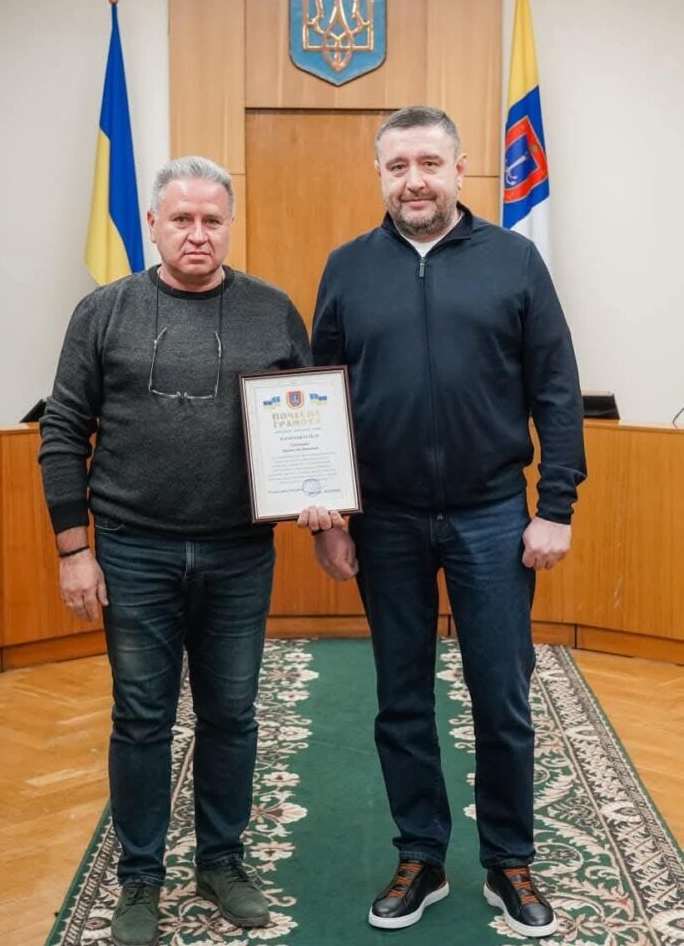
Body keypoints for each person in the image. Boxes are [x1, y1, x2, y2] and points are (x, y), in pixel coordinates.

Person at [299, 107, 586, 937]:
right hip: (384, 520)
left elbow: (557, 389)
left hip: (492, 514)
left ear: (461, 169)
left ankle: (509, 861)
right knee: (400, 698)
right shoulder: (348, 268)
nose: (414, 180)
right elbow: (321, 397)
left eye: (429, 163)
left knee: (501, 697)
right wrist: (328, 517)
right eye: (398, 166)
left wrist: (555, 506)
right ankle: (421, 854)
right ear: (379, 174)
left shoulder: (514, 260)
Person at [39, 156, 311, 946]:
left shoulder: (271, 311)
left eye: (212, 220)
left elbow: (312, 421)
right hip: (134, 552)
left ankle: (221, 862)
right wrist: (74, 550)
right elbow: (63, 431)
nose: (198, 234)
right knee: (141, 718)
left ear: (230, 226)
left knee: (231, 714)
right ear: (153, 224)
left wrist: (320, 494)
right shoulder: (105, 310)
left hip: (239, 553)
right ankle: (140, 877)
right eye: (182, 219)